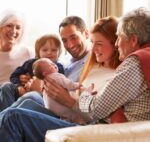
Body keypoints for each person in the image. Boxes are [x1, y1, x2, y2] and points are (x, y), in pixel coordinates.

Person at [0, 14, 123, 142]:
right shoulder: (93, 66)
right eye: (93, 43)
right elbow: (80, 93)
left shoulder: (115, 75)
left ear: (115, 43)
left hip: (78, 121)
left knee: (15, 114)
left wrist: (69, 99)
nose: (94, 48)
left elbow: (96, 112)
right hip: (61, 109)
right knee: (18, 97)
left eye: (99, 43)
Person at [0, 34, 64, 111]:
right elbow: (14, 75)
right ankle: (5, 114)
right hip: (21, 91)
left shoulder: (58, 67)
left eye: (54, 50)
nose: (49, 53)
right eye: (45, 50)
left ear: (59, 52)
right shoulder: (30, 63)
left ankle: (8, 115)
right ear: (38, 52)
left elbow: (58, 83)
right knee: (6, 86)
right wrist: (19, 86)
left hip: (39, 97)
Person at [0, 9, 34, 84]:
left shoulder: (28, 53)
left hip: (18, 93)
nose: (13, 31)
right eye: (9, 26)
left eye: (18, 27)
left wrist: (29, 78)